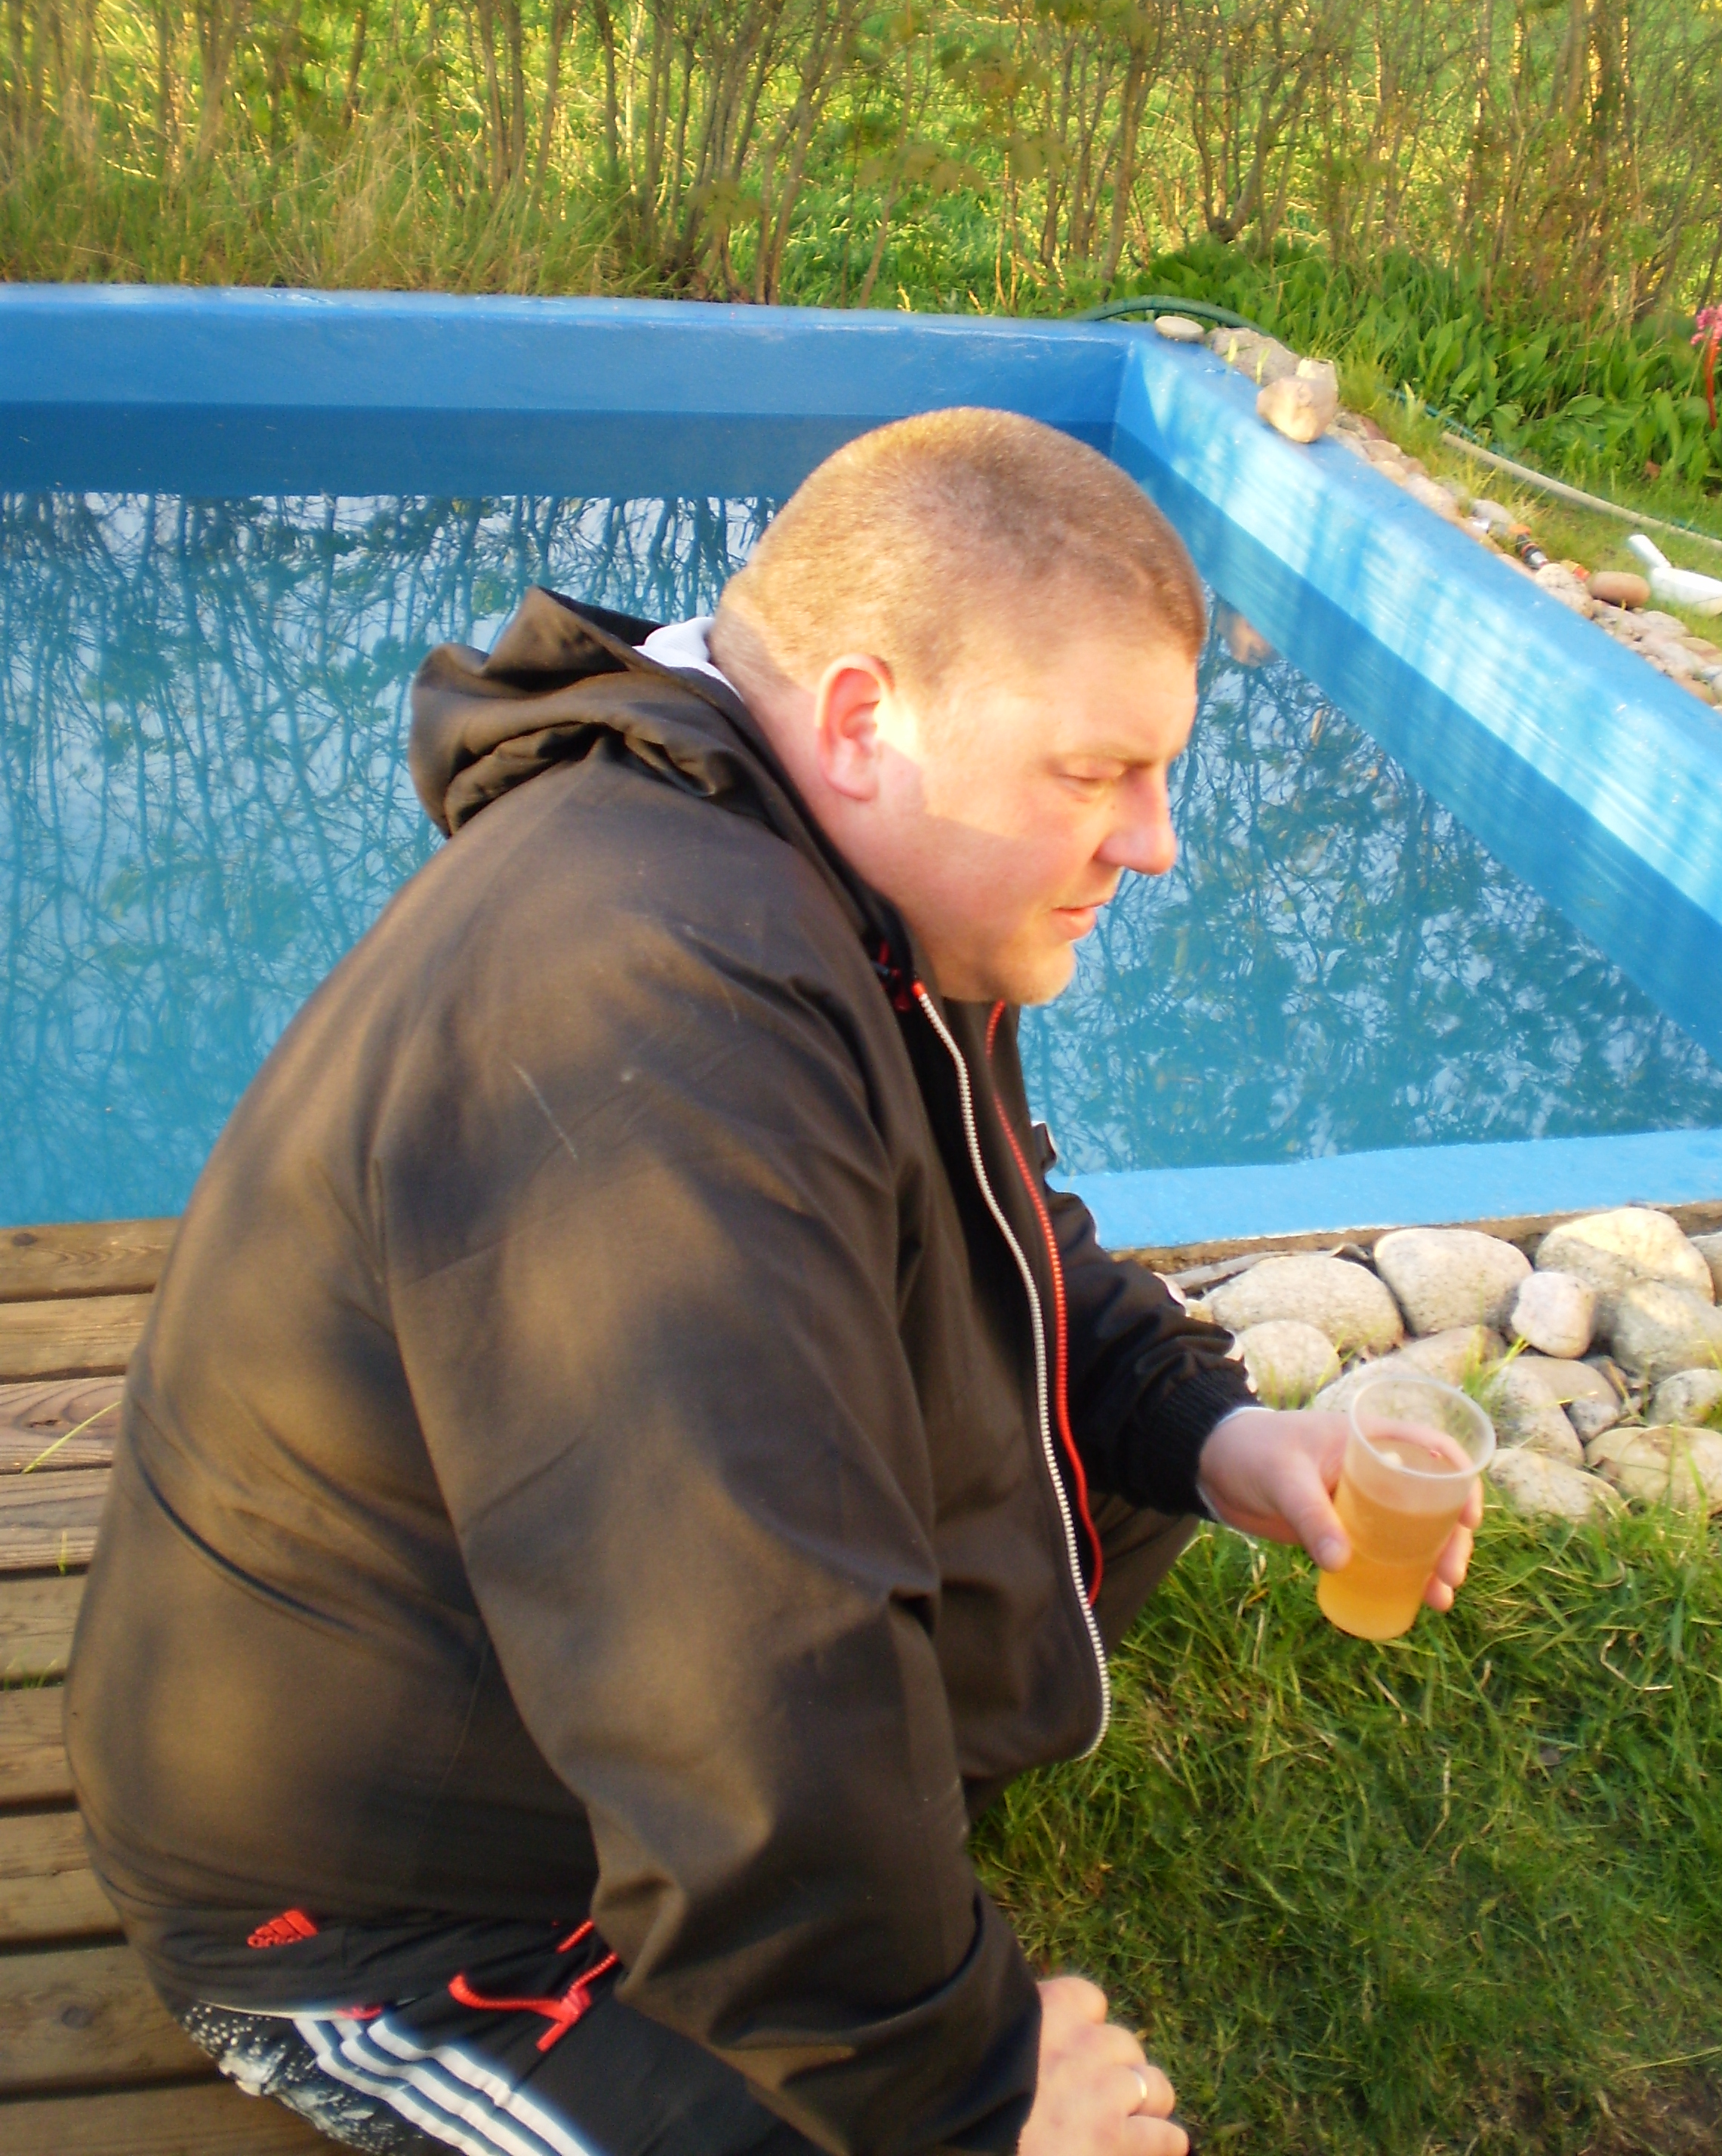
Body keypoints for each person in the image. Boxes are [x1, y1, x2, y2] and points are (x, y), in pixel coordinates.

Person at [68, 409, 1477, 2156]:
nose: (1155, 841)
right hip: (387, 1897)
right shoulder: (648, 1006)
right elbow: (738, 1669)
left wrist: (1215, 1437)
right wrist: (974, 2097)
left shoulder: (846, 883)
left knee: (1097, 1467)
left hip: (568, 1713)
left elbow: (1002, 1234)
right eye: (1096, 774)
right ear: (867, 721)